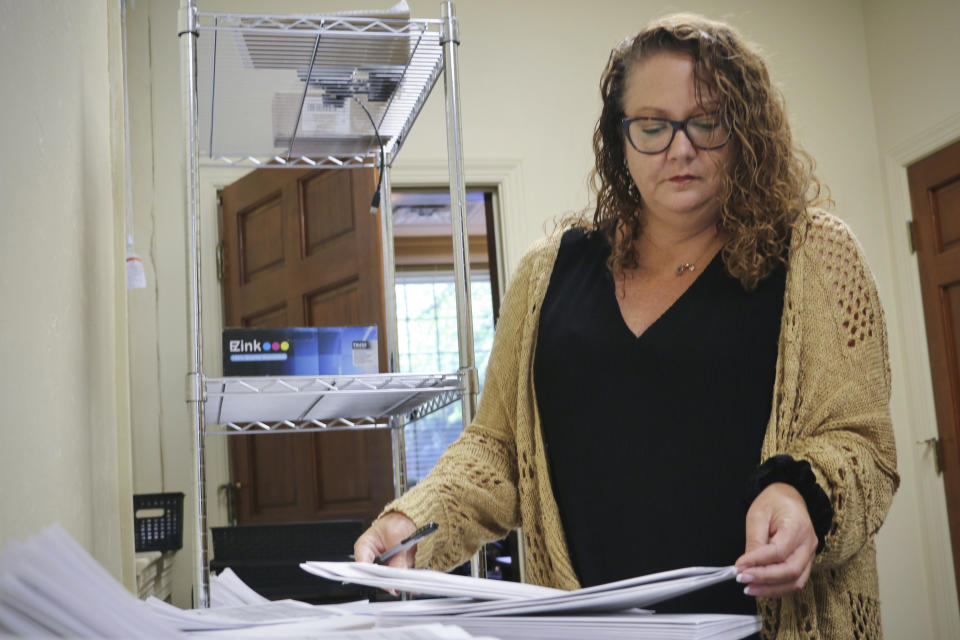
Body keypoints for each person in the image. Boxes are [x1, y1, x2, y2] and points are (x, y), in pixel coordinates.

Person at [354, 13, 898, 639]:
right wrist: (414, 524)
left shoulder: (813, 256)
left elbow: (863, 447)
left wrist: (804, 497)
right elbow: (498, 451)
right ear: (620, 137)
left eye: (707, 122)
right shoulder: (545, 274)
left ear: (743, 130)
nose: (681, 148)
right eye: (653, 126)